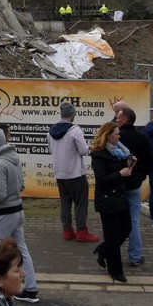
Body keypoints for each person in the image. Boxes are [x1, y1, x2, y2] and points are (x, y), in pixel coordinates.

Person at [0, 127, 39, 302]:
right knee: (22, 250)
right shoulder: (14, 160)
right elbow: (21, 186)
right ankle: (30, 289)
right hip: (17, 211)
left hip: (3, 213)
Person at [47, 101, 99, 243]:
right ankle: (82, 231)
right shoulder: (75, 130)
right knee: (81, 203)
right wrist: (91, 148)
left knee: (65, 202)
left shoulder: (51, 132)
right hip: (75, 173)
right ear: (72, 114)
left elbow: (51, 150)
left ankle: (67, 231)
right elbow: (83, 151)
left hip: (60, 172)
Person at [89, 122, 133, 283]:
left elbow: (120, 170)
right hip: (107, 200)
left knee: (126, 228)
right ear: (107, 135)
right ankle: (116, 271)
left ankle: (103, 250)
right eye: (116, 134)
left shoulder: (119, 152)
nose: (119, 136)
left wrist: (128, 164)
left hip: (120, 197)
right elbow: (101, 181)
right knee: (113, 236)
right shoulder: (99, 155)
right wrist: (120, 173)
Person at [116, 107, 153, 267]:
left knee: (115, 221)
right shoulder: (142, 138)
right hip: (134, 184)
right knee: (133, 221)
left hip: (117, 185)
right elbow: (149, 161)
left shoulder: (115, 138)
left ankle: (113, 255)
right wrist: (141, 175)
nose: (116, 119)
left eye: (118, 117)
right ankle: (135, 256)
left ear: (125, 120)